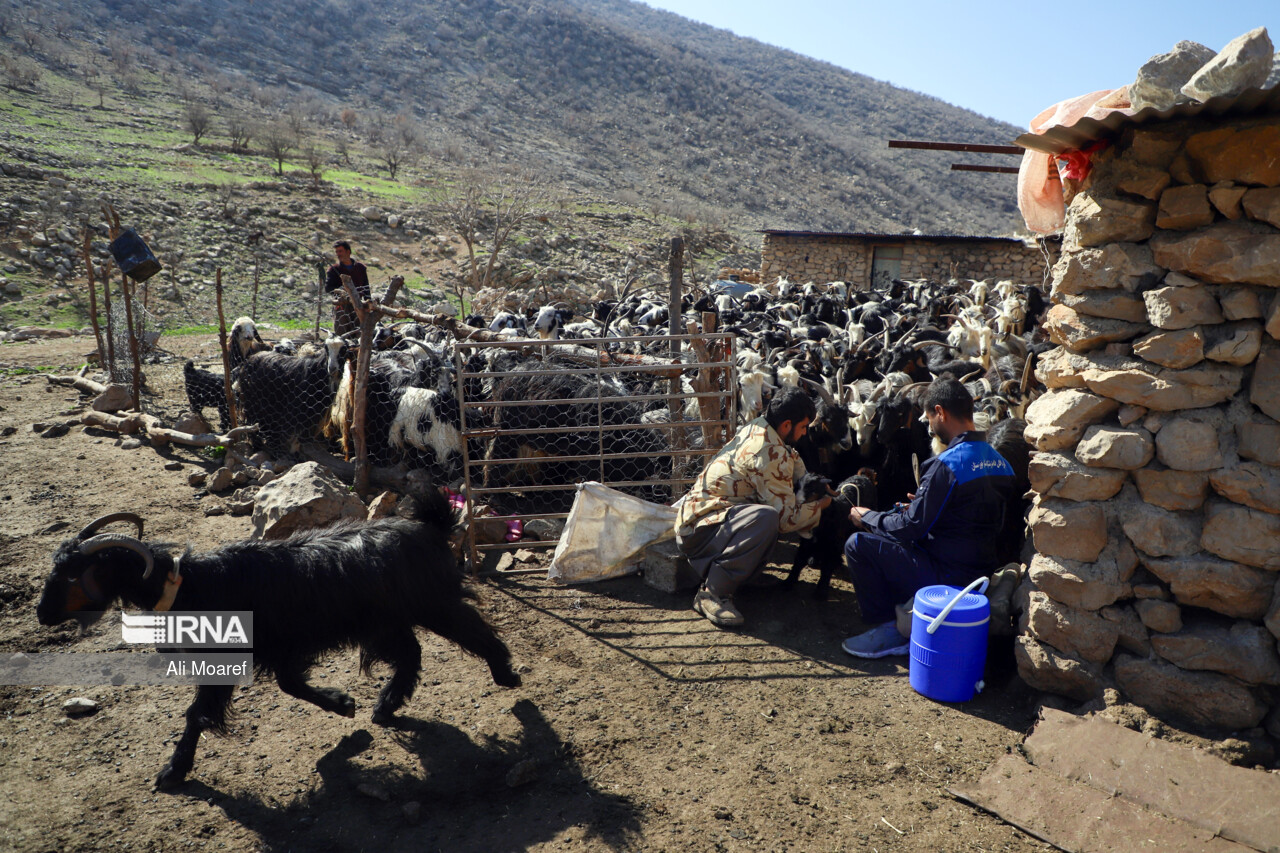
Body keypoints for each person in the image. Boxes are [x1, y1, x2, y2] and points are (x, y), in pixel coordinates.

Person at [840, 377, 1014, 658]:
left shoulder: (947, 464)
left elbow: (911, 527)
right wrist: (924, 504)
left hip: (946, 575)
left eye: (930, 417)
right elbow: (974, 515)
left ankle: (892, 629)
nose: (930, 426)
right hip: (980, 572)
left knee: (858, 544)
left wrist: (869, 516)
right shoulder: (1000, 461)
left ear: (940, 412)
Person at [675, 386, 831, 628]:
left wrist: (811, 481)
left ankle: (739, 577)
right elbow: (786, 520)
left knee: (766, 512)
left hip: (702, 519)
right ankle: (712, 592)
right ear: (787, 425)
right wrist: (822, 506)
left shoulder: (761, 426)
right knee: (767, 518)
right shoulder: (768, 451)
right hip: (699, 530)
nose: (803, 435)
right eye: (802, 428)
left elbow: (791, 457)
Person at [325, 241, 370, 336]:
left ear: (348, 251)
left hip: (358, 304)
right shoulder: (334, 270)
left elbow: (366, 287)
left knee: (360, 332)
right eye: (337, 252)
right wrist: (341, 291)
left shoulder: (360, 268)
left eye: (340, 251)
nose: (338, 254)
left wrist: (367, 302)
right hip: (342, 306)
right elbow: (328, 288)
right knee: (342, 333)